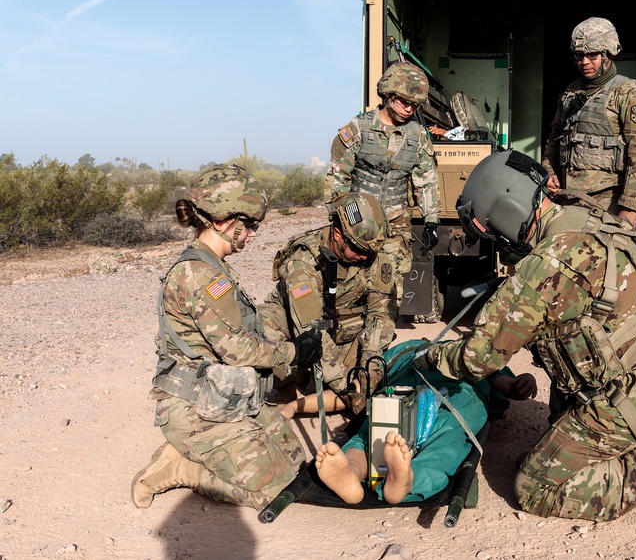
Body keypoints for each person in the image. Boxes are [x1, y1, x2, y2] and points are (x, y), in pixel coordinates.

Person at [408, 149, 636, 533]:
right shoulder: (583, 216)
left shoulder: (546, 266)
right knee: (556, 422)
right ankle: (601, 446)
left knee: (534, 485)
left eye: (495, 234)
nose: (500, 244)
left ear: (507, 213)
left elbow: (477, 358)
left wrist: (426, 356)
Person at [131, 164, 324, 510]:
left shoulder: (213, 265)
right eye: (248, 224)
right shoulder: (200, 275)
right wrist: (293, 353)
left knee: (296, 463)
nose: (252, 233)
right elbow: (237, 350)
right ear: (221, 221)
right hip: (192, 407)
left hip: (223, 398)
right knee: (275, 491)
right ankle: (184, 468)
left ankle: (199, 453)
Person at [297, 339, 536, 504]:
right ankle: (366, 474)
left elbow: (350, 394)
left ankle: (370, 471)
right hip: (454, 396)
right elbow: (351, 393)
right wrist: (293, 407)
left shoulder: (404, 351)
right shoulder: (469, 352)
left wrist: (523, 382)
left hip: (421, 392)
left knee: (373, 434)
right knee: (447, 442)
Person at [325, 61, 443, 320]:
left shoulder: (418, 136)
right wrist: (336, 217)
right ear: (389, 96)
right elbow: (339, 176)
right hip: (357, 223)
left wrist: (431, 220)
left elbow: (426, 181)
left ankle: (379, 343)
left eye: (414, 105)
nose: (408, 109)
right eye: (403, 102)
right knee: (353, 284)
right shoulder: (359, 128)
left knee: (391, 289)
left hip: (396, 223)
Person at [260, 192, 394, 416]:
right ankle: (286, 389)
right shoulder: (303, 262)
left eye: (370, 252)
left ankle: (317, 377)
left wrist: (370, 364)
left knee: (367, 381)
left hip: (340, 318)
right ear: (338, 235)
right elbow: (310, 327)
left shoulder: (371, 253)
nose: (365, 257)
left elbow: (381, 312)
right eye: (359, 250)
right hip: (296, 321)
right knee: (266, 329)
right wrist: (344, 386)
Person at [541, 17, 636, 227]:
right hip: (569, 200)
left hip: (607, 205)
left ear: (607, 54)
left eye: (592, 55)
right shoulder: (571, 92)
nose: (584, 62)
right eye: (579, 56)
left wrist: (630, 208)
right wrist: (549, 172)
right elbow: (555, 138)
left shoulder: (629, 92)